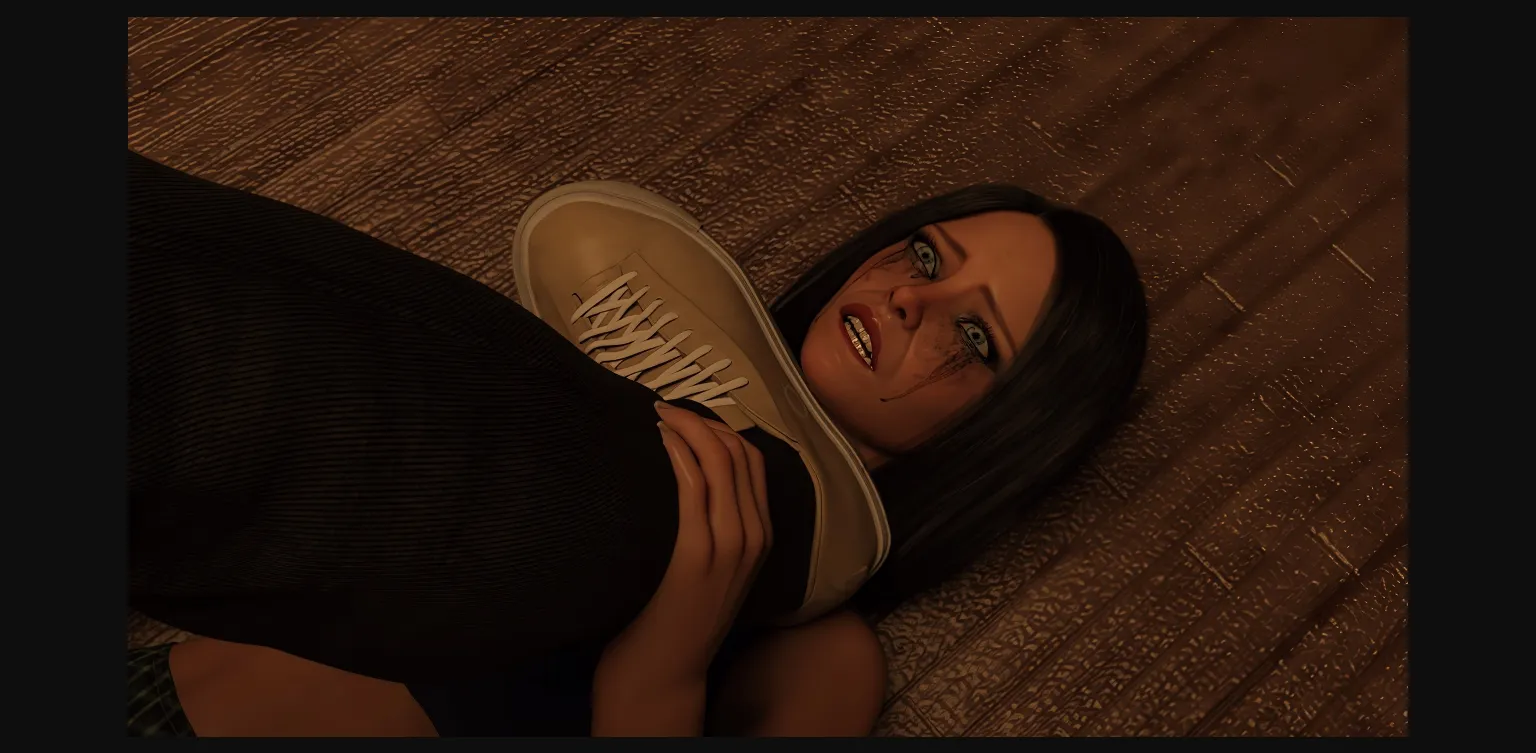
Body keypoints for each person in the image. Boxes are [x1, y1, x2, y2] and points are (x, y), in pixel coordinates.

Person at [127, 149, 1147, 735]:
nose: (911, 298)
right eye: (924, 256)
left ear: (1002, 436)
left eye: (974, 338)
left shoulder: (823, 657)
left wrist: (665, 664)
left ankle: (779, 509)